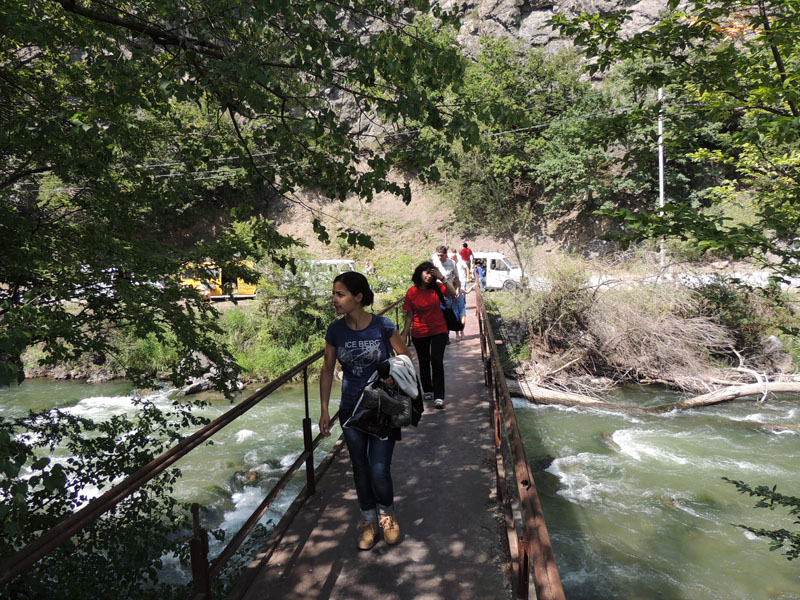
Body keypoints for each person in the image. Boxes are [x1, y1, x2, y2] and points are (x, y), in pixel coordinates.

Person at [319, 271, 410, 551]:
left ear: (358, 297)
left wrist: (393, 374)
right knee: (360, 469)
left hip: (381, 409)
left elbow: (404, 357)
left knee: (379, 469)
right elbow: (326, 369)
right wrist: (324, 409)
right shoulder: (335, 330)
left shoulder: (382, 326)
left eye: (340, 294)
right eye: (334, 294)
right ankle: (368, 520)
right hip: (350, 410)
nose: (334, 299)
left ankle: (387, 516)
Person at [401, 262, 457, 409]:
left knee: (436, 360)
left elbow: (452, 293)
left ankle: (439, 396)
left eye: (431, 273)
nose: (429, 276)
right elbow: (409, 316)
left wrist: (442, 278)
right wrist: (404, 335)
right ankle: (427, 389)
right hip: (419, 332)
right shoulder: (412, 292)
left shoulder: (437, 287)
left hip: (439, 329)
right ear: (419, 273)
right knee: (423, 361)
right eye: (426, 273)